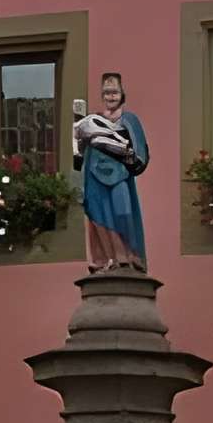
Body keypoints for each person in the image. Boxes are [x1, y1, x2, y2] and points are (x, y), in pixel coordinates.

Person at [73, 70, 150, 272]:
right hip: (95, 174)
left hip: (120, 174)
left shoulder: (129, 119)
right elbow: (81, 149)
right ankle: (110, 258)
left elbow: (139, 150)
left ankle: (130, 253)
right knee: (100, 215)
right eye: (107, 93)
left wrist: (129, 156)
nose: (111, 97)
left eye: (114, 92)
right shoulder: (93, 119)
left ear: (122, 94)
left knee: (123, 211)